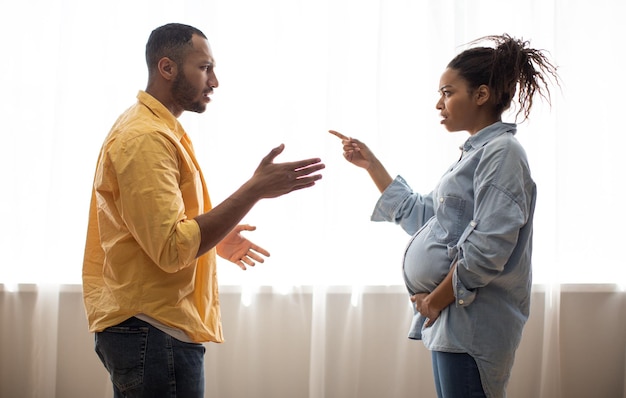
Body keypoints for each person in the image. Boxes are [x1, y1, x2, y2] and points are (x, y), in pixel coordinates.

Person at [82, 22, 324, 397]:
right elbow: (171, 248)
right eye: (205, 67)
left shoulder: (155, 130)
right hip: (154, 331)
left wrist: (215, 240)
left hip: (150, 330)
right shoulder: (145, 138)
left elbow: (157, 229)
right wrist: (253, 190)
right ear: (167, 68)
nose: (214, 81)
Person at [330, 34, 558, 398]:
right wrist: (371, 165)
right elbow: (427, 218)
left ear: (481, 95)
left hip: (470, 324)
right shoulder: (475, 154)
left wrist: (433, 302)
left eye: (448, 92)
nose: (439, 104)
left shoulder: (503, 153)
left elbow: (488, 248)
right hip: (451, 322)